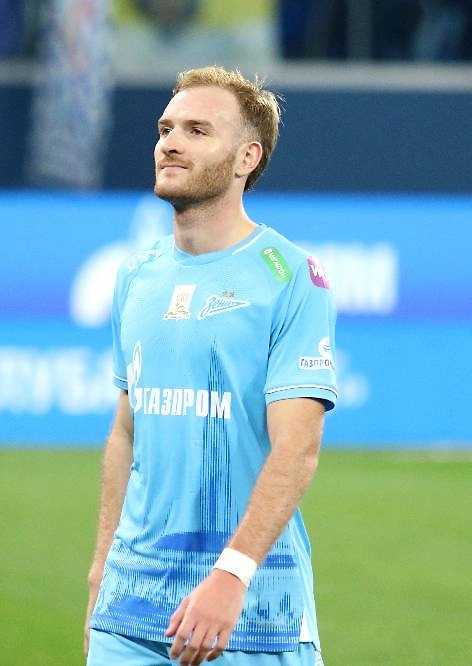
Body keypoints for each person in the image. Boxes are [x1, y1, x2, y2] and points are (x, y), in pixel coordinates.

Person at [85, 66, 337, 666]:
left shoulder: (291, 277)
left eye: (197, 131)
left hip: (250, 614)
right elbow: (127, 431)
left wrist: (231, 575)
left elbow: (297, 449)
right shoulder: (136, 275)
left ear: (247, 157)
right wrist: (101, 570)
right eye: (165, 128)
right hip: (129, 610)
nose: (170, 143)